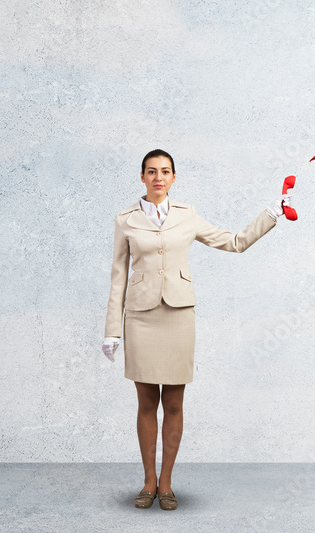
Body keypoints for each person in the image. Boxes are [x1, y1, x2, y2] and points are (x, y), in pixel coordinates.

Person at [100, 148, 289, 511]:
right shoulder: (124, 220)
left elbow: (235, 242)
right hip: (140, 316)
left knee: (173, 402)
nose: (158, 177)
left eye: (165, 171)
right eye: (151, 172)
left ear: (174, 178)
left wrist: (272, 213)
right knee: (145, 402)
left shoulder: (188, 217)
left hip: (178, 315)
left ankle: (167, 483)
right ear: (142, 177)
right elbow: (118, 274)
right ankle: (148, 481)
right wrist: (112, 330)